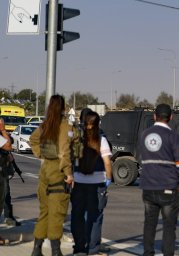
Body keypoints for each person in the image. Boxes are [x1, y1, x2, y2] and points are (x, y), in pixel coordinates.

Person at [138, 104, 179, 256]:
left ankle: (148, 253)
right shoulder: (172, 136)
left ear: (154, 116)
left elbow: (142, 157)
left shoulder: (144, 134)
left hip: (148, 186)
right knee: (168, 226)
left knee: (149, 223)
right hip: (168, 187)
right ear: (171, 117)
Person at [29, 95, 74, 256]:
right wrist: (68, 174)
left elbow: (33, 139)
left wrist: (40, 153)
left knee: (45, 212)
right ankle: (56, 251)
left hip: (45, 170)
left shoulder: (46, 125)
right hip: (57, 171)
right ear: (62, 108)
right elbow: (64, 152)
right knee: (57, 212)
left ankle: (37, 249)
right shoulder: (64, 126)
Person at [70, 110, 112, 256]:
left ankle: (80, 247)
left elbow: (70, 159)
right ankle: (93, 247)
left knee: (77, 215)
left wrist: (71, 176)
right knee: (95, 216)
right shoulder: (102, 140)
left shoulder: (77, 140)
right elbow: (107, 163)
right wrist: (109, 178)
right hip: (97, 183)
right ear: (97, 124)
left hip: (79, 182)